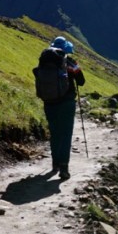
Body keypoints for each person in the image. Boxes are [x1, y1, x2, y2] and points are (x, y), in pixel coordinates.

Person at [40, 36, 85, 180]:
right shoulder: (70, 62)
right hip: (66, 103)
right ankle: (64, 167)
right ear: (66, 48)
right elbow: (82, 82)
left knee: (55, 133)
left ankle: (55, 163)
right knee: (66, 134)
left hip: (49, 102)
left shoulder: (44, 60)